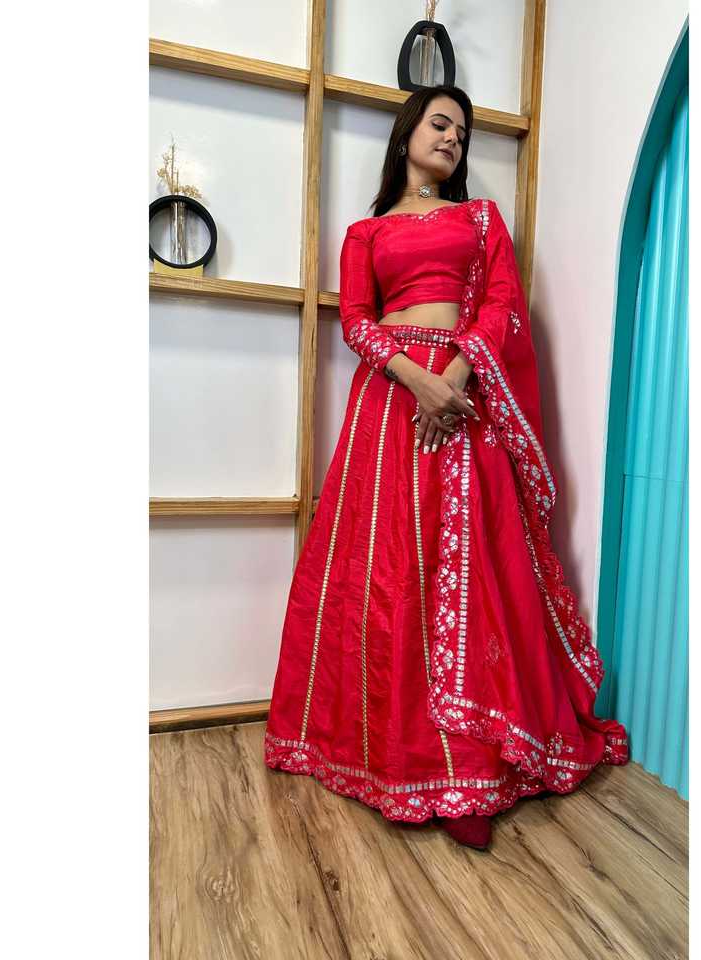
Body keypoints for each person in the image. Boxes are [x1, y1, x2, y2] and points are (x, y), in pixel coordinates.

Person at [264, 84, 629, 851]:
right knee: (389, 573)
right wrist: (414, 377)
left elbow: (500, 305)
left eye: (462, 131)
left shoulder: (480, 219)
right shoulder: (365, 233)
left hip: (463, 400)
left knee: (470, 576)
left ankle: (470, 769)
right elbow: (355, 320)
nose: (453, 138)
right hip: (390, 401)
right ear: (406, 134)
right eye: (440, 123)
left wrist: (454, 377)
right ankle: (389, 755)